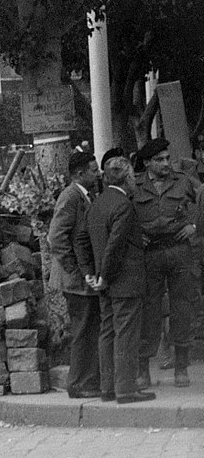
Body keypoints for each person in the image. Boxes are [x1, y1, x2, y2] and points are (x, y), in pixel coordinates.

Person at [75, 155, 155, 403]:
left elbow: (81, 240)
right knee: (127, 335)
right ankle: (126, 389)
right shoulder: (124, 206)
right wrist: (105, 277)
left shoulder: (96, 204)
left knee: (107, 333)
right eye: (132, 176)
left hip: (103, 282)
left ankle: (108, 387)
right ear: (128, 177)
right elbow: (116, 245)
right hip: (124, 281)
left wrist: (91, 273)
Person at [130, 137, 200, 389]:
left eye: (167, 158)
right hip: (150, 254)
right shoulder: (134, 185)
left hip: (179, 251)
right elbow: (123, 216)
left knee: (182, 306)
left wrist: (194, 226)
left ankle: (181, 367)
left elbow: (201, 203)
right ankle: (142, 370)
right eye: (159, 160)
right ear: (147, 162)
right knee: (149, 309)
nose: (166, 163)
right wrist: (134, 235)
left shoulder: (183, 181)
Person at [47, 150, 101, 398]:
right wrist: (75, 269)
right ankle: (78, 384)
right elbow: (56, 237)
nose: (98, 173)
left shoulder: (83, 196)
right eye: (93, 169)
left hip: (79, 277)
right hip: (75, 279)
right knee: (82, 330)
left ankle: (87, 381)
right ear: (80, 174)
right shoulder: (70, 197)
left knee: (88, 327)